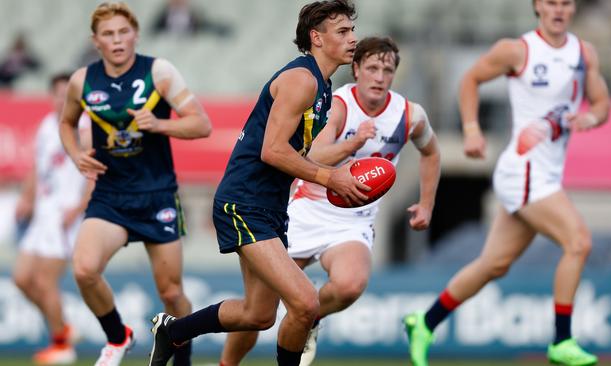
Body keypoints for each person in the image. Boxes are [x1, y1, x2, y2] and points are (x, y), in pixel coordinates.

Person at [147, 1, 364, 366]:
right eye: (342, 31)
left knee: (258, 314)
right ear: (317, 38)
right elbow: (273, 151)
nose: (353, 38)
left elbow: (292, 154)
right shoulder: (302, 80)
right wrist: (330, 178)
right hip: (243, 202)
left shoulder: (322, 86)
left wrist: (337, 168)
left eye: (352, 30)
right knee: (306, 303)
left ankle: (174, 331)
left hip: (269, 205)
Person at [404, 0, 610, 365]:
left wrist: (592, 118)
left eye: (565, 3)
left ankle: (425, 321)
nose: (558, 10)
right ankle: (561, 341)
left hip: (545, 174)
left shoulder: (584, 53)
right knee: (578, 242)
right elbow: (471, 78)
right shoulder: (518, 49)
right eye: (551, 3)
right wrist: (470, 129)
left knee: (493, 264)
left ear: (574, 8)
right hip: (523, 171)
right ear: (537, 7)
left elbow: (600, 102)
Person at [219, 36, 441, 366]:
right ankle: (227, 364)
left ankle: (310, 320)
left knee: (351, 285)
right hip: (308, 208)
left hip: (353, 219)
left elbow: (431, 152)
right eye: (372, 68)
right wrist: (353, 144)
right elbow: (316, 154)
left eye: (388, 69)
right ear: (356, 70)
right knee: (258, 309)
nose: (380, 76)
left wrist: (426, 203)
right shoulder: (337, 103)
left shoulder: (409, 115)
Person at [58, 2, 212, 366]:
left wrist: (160, 124)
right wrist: (76, 154)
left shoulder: (158, 72)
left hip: (157, 195)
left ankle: (183, 360)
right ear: (96, 41)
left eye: (123, 32)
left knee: (172, 293)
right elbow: (66, 123)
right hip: (110, 197)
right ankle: (118, 336)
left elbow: (201, 124)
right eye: (108, 34)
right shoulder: (83, 80)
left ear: (136, 35)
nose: (117, 40)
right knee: (83, 269)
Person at [12, 73, 93, 366]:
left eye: (67, 93)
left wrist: (80, 206)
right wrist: (26, 197)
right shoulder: (48, 126)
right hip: (42, 215)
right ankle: (64, 328)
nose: (62, 99)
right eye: (57, 93)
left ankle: (62, 345)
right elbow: (38, 166)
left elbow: (95, 170)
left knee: (46, 282)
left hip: (65, 215)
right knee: (21, 278)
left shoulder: (85, 127)